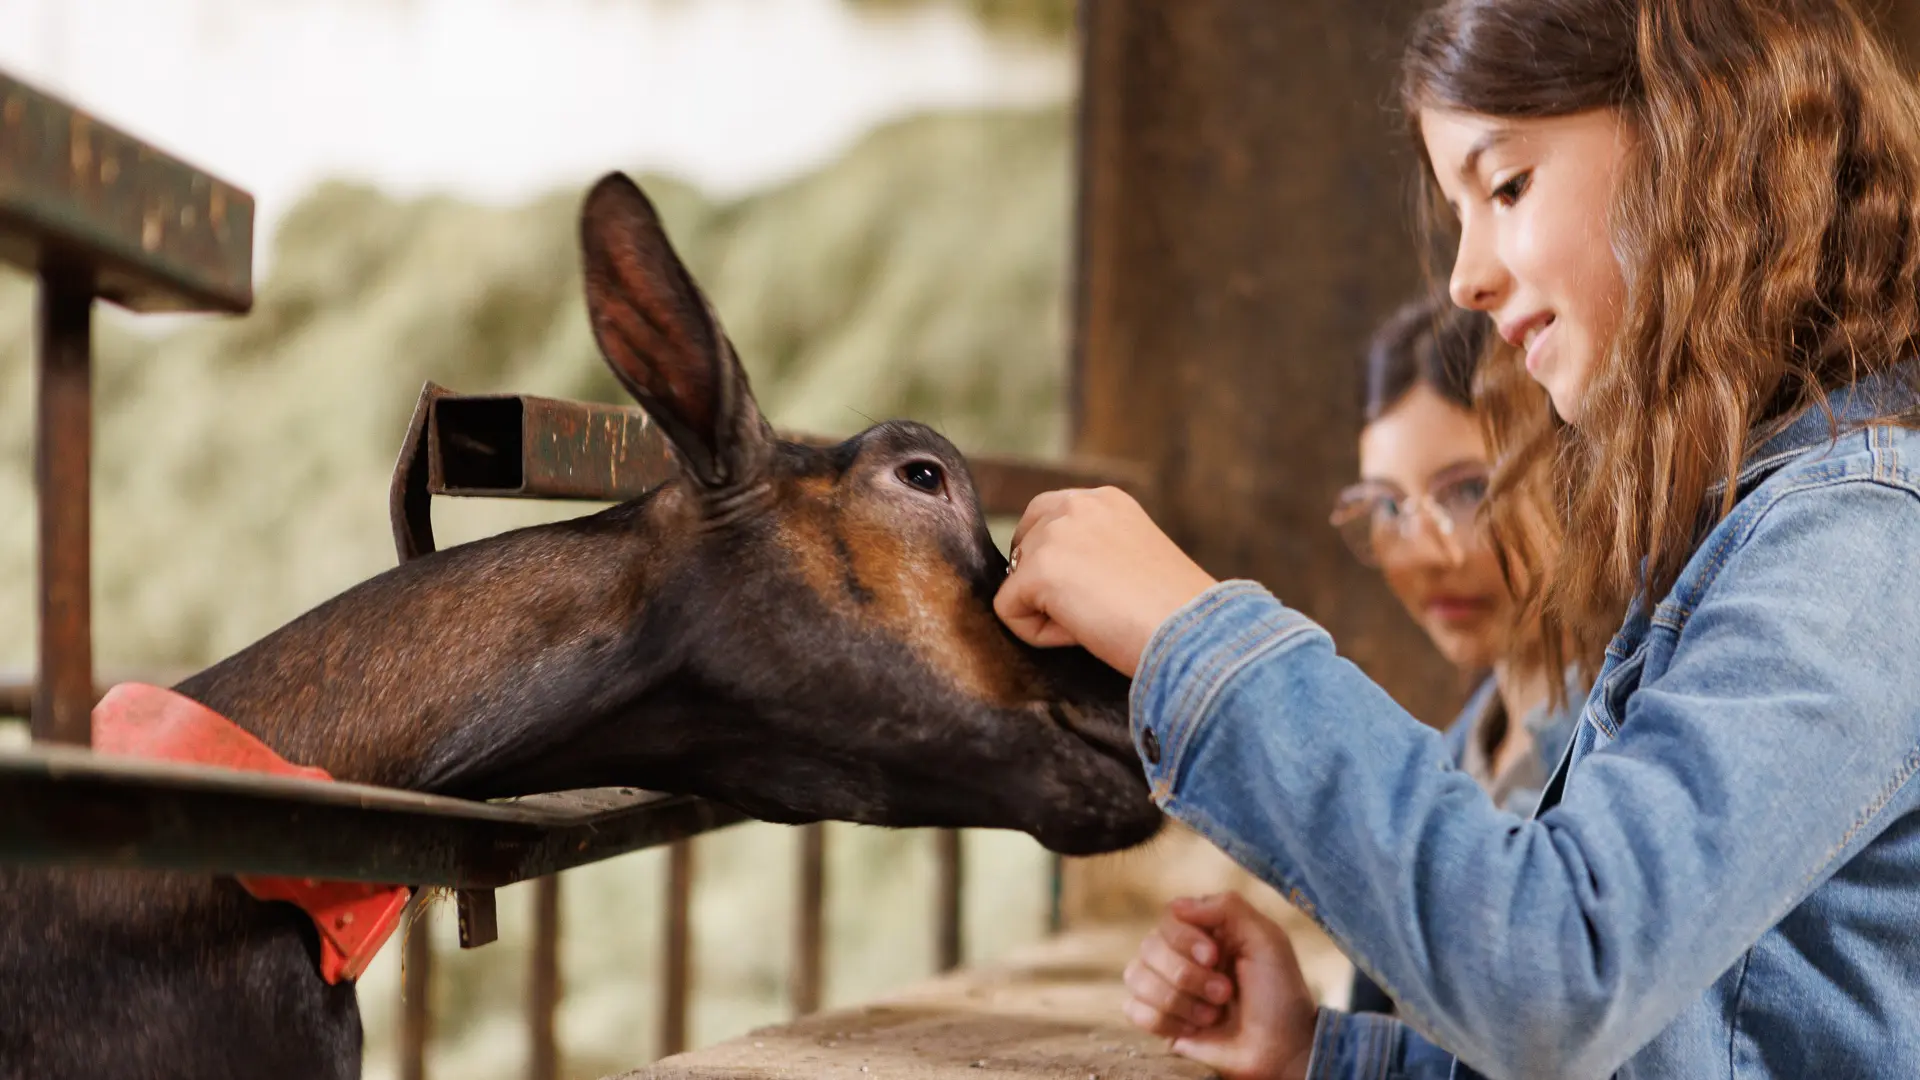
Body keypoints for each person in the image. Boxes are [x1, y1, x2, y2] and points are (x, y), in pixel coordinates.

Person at [993, 0, 1920, 1076]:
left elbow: (1560, 977)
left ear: (1706, 133)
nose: (1465, 277)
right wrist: (1318, 1054)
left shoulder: (1860, 542)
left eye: (1508, 184)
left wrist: (1192, 636)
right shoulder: (1753, 535)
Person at [1332, 297, 1583, 1018]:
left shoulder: (1637, 752)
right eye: (1388, 506)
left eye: (1469, 491)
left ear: (1579, 465)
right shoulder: (1446, 763)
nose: (1428, 551)